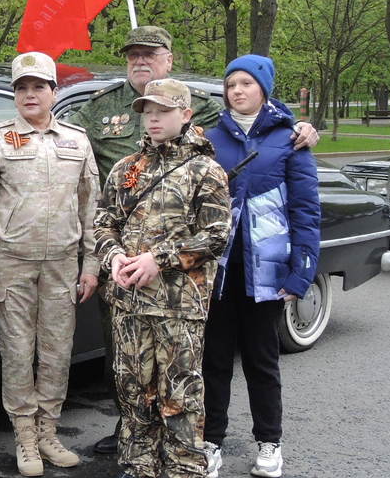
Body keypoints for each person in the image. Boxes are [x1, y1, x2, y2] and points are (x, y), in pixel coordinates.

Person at [69, 25, 319, 455]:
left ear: (169, 60)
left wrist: (299, 126)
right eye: (132, 55)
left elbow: (256, 133)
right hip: (128, 267)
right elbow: (60, 141)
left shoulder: (205, 119)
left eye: (150, 54)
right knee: (129, 362)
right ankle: (136, 437)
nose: (140, 61)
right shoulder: (101, 108)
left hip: (191, 269)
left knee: (192, 364)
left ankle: (200, 444)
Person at [93, 78, 231, 478]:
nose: (152, 118)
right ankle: (138, 465)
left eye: (162, 111)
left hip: (179, 301)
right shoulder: (127, 168)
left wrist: (160, 259)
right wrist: (113, 256)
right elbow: (104, 223)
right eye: (147, 111)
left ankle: (187, 474)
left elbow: (215, 235)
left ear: (185, 114)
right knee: (132, 383)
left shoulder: (205, 170)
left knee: (181, 388)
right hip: (130, 301)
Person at [0, 51, 100, 477]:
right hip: (11, 264)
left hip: (61, 263)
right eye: (22, 88)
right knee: (18, 352)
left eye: (38, 86)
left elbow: (92, 207)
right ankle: (24, 434)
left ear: (54, 92)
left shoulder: (76, 140)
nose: (30, 94)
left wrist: (92, 263)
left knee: (57, 351)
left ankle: (48, 431)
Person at [202, 55, 321, 478]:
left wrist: (301, 270)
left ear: (264, 89)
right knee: (213, 360)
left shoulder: (291, 139)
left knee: (261, 361)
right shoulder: (210, 137)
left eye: (246, 84)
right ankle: (210, 441)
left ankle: (269, 442)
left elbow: (305, 210)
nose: (237, 91)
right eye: (231, 84)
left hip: (266, 271)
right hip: (217, 270)